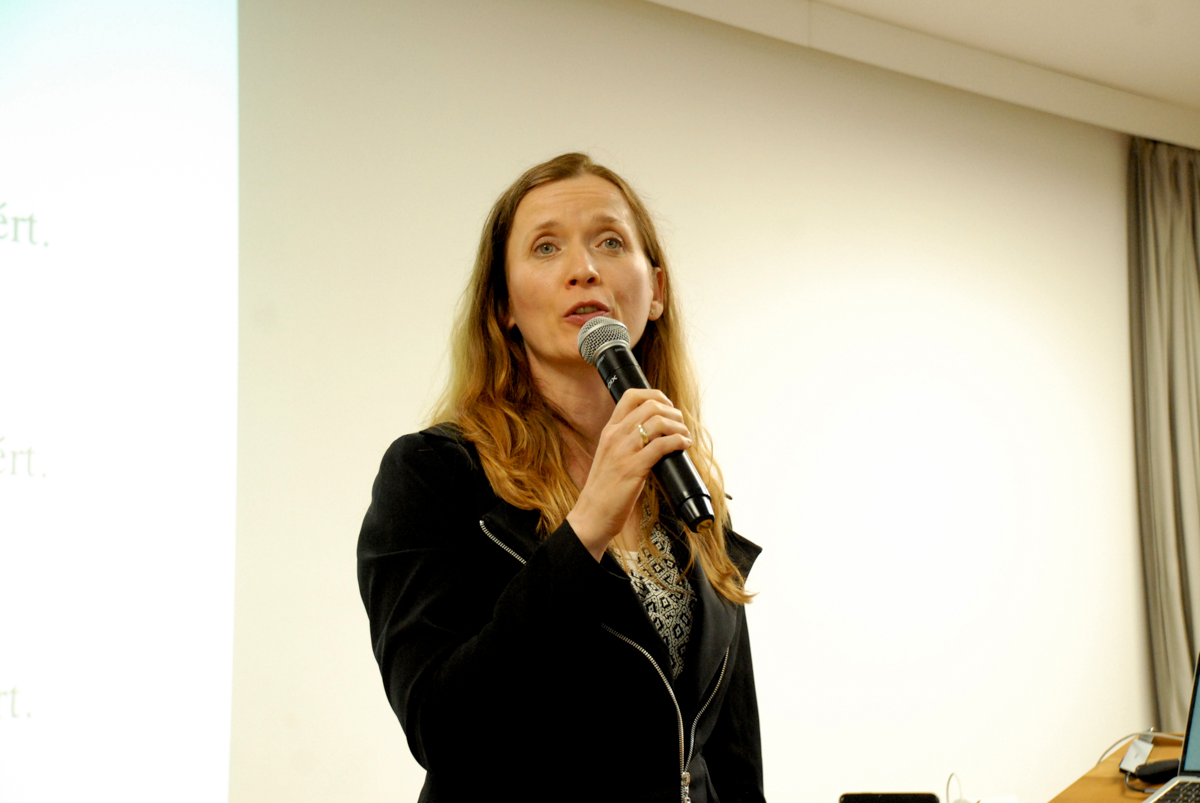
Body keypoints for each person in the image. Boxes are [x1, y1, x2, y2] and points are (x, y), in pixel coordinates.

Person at [357, 153, 765, 803]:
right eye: (546, 247)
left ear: (656, 290)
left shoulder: (683, 485)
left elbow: (731, 754)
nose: (584, 269)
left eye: (610, 242)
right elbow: (443, 726)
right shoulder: (433, 475)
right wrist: (587, 527)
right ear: (504, 305)